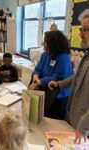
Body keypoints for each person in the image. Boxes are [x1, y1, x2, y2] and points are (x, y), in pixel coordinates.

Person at [48, 9, 89, 142]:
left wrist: (83, 126)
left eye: (85, 29)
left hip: (84, 126)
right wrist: (59, 84)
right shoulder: (87, 56)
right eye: (81, 29)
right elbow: (77, 77)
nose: (80, 33)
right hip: (74, 116)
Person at [29, 30, 73, 119]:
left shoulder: (63, 57)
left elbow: (58, 77)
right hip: (45, 90)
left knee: (54, 121)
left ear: (53, 43)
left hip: (59, 95)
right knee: (43, 116)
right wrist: (36, 77)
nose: (43, 44)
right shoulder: (45, 54)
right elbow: (38, 69)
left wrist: (38, 82)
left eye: (45, 41)